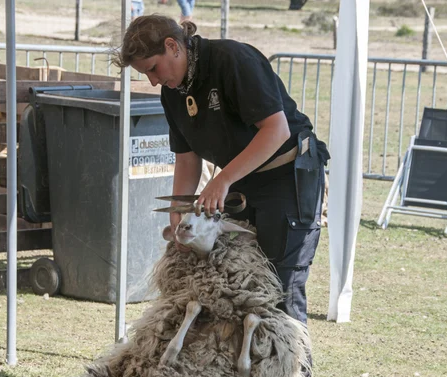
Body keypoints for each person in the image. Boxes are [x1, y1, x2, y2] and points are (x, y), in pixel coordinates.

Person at [114, 14, 329, 325]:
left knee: (280, 288)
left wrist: (223, 178)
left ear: (173, 46)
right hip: (242, 181)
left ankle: (294, 370)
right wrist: (178, 208)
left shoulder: (232, 60)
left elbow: (276, 130)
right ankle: (241, 372)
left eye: (152, 69)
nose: (153, 80)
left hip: (287, 176)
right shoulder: (172, 92)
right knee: (235, 285)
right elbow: (187, 157)